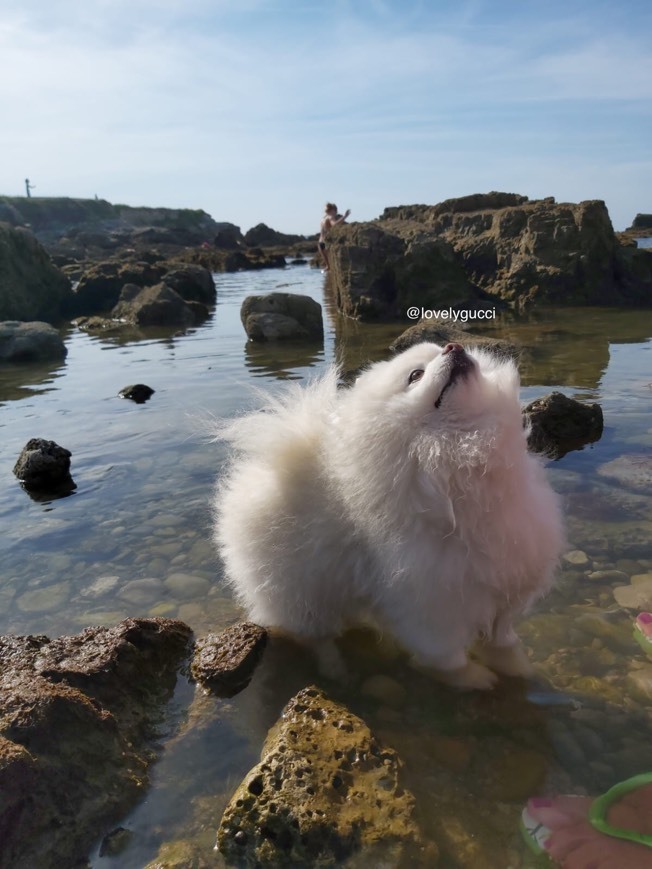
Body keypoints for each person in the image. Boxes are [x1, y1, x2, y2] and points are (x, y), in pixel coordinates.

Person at [318, 202, 351, 271]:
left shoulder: (323, 219)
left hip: (320, 243)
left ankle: (322, 278)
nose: (336, 213)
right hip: (326, 243)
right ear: (333, 210)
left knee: (328, 267)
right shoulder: (330, 217)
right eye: (336, 211)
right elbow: (334, 224)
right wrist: (345, 216)